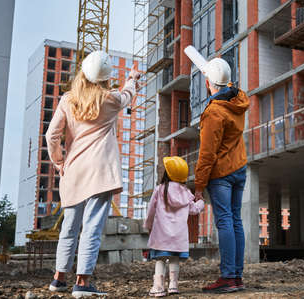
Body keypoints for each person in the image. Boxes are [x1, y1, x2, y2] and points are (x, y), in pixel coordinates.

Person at [45, 50, 140, 298]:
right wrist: (132, 78)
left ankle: (59, 279)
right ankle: (83, 283)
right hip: (100, 172)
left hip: (74, 171)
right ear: (107, 78)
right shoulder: (110, 100)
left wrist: (59, 162)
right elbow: (128, 94)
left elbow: (51, 136)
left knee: (69, 227)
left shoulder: (68, 100)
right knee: (92, 227)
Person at [192, 57, 249, 293]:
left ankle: (227, 277)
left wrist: (198, 186)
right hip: (240, 168)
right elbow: (229, 88)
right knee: (235, 221)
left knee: (225, 221)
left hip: (222, 173)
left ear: (208, 84)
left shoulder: (214, 113)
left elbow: (207, 154)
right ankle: (236, 276)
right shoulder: (238, 99)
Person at [144, 156, 204, 297]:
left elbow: (151, 211)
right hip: (178, 235)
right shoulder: (186, 193)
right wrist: (201, 202)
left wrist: (148, 225)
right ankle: (173, 286)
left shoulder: (159, 190)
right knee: (174, 259)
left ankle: (158, 287)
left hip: (161, 234)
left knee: (160, 259)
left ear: (167, 173)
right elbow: (194, 210)